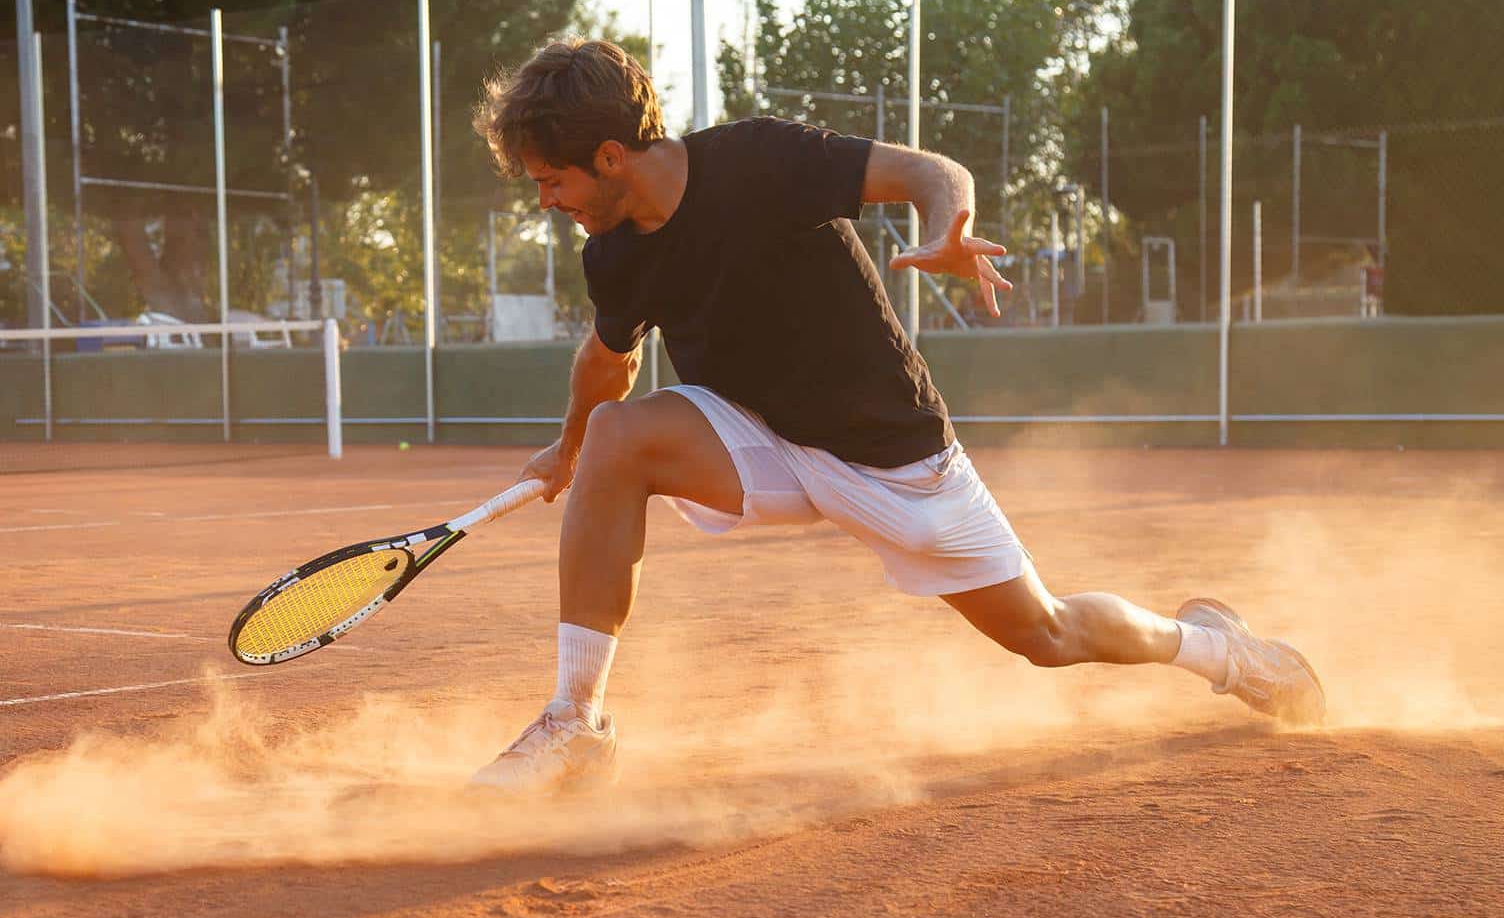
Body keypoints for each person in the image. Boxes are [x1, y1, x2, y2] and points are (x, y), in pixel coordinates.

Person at [467, 39, 1325, 795]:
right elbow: (606, 360)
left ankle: (1220, 649)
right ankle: (574, 722)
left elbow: (927, 170)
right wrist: (572, 447)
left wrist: (948, 225)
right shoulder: (613, 252)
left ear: (611, 155)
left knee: (1047, 632)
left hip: (891, 455)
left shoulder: (760, 160)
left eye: (552, 181)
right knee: (623, 434)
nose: (547, 201)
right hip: (759, 435)